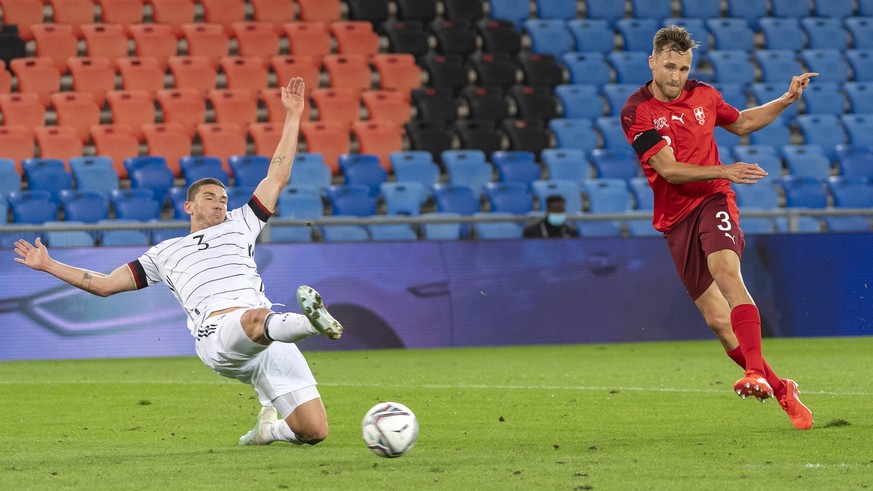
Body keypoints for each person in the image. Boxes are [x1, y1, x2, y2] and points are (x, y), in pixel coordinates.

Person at [13, 78, 344, 445]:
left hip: (268, 334)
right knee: (255, 318)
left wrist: (293, 116)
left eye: (222, 197)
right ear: (189, 206)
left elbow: (277, 175)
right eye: (209, 198)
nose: (220, 203)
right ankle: (312, 322)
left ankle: (269, 431)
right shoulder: (164, 252)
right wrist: (49, 265)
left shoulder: (242, 222)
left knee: (314, 431)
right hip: (219, 335)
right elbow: (104, 284)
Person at [620, 26, 815, 430]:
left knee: (727, 275)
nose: (676, 76)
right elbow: (670, 171)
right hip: (675, 218)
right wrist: (727, 167)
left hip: (713, 200)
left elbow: (741, 123)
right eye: (669, 67)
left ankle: (755, 373)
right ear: (652, 62)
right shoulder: (636, 111)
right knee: (717, 322)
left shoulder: (704, 95)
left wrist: (785, 99)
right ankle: (782, 389)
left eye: (683, 68)